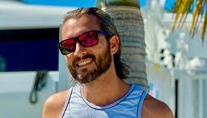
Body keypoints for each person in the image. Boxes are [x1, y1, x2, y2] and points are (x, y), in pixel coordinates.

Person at [42, 7, 174, 118]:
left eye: (88, 39)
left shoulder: (154, 112)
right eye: (68, 45)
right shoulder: (55, 109)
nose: (78, 51)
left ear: (113, 45)